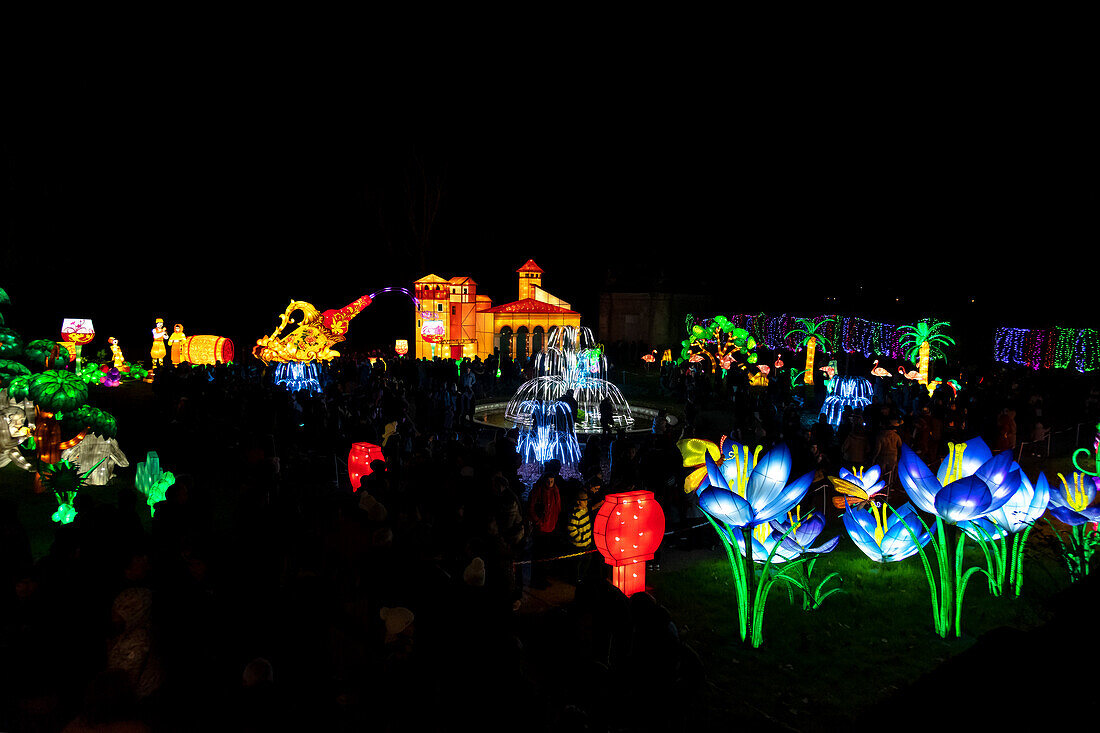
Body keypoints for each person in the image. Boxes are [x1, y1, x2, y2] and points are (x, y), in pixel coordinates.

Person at [526, 463, 562, 589]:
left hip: (550, 527)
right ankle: (536, 580)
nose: (550, 484)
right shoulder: (538, 490)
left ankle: (542, 579)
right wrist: (538, 522)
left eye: (552, 481)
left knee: (545, 555)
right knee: (538, 556)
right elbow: (531, 507)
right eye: (548, 481)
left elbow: (557, 507)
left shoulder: (555, 491)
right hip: (541, 529)